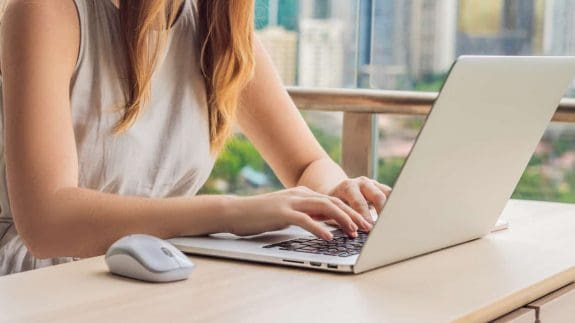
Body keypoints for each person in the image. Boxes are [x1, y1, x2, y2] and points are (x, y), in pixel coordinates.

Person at [0, 0, 391, 275]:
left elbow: (308, 164)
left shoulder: (218, 31)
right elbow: (46, 224)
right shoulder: (45, 12)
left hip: (152, 271)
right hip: (40, 286)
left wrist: (338, 193)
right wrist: (234, 213)